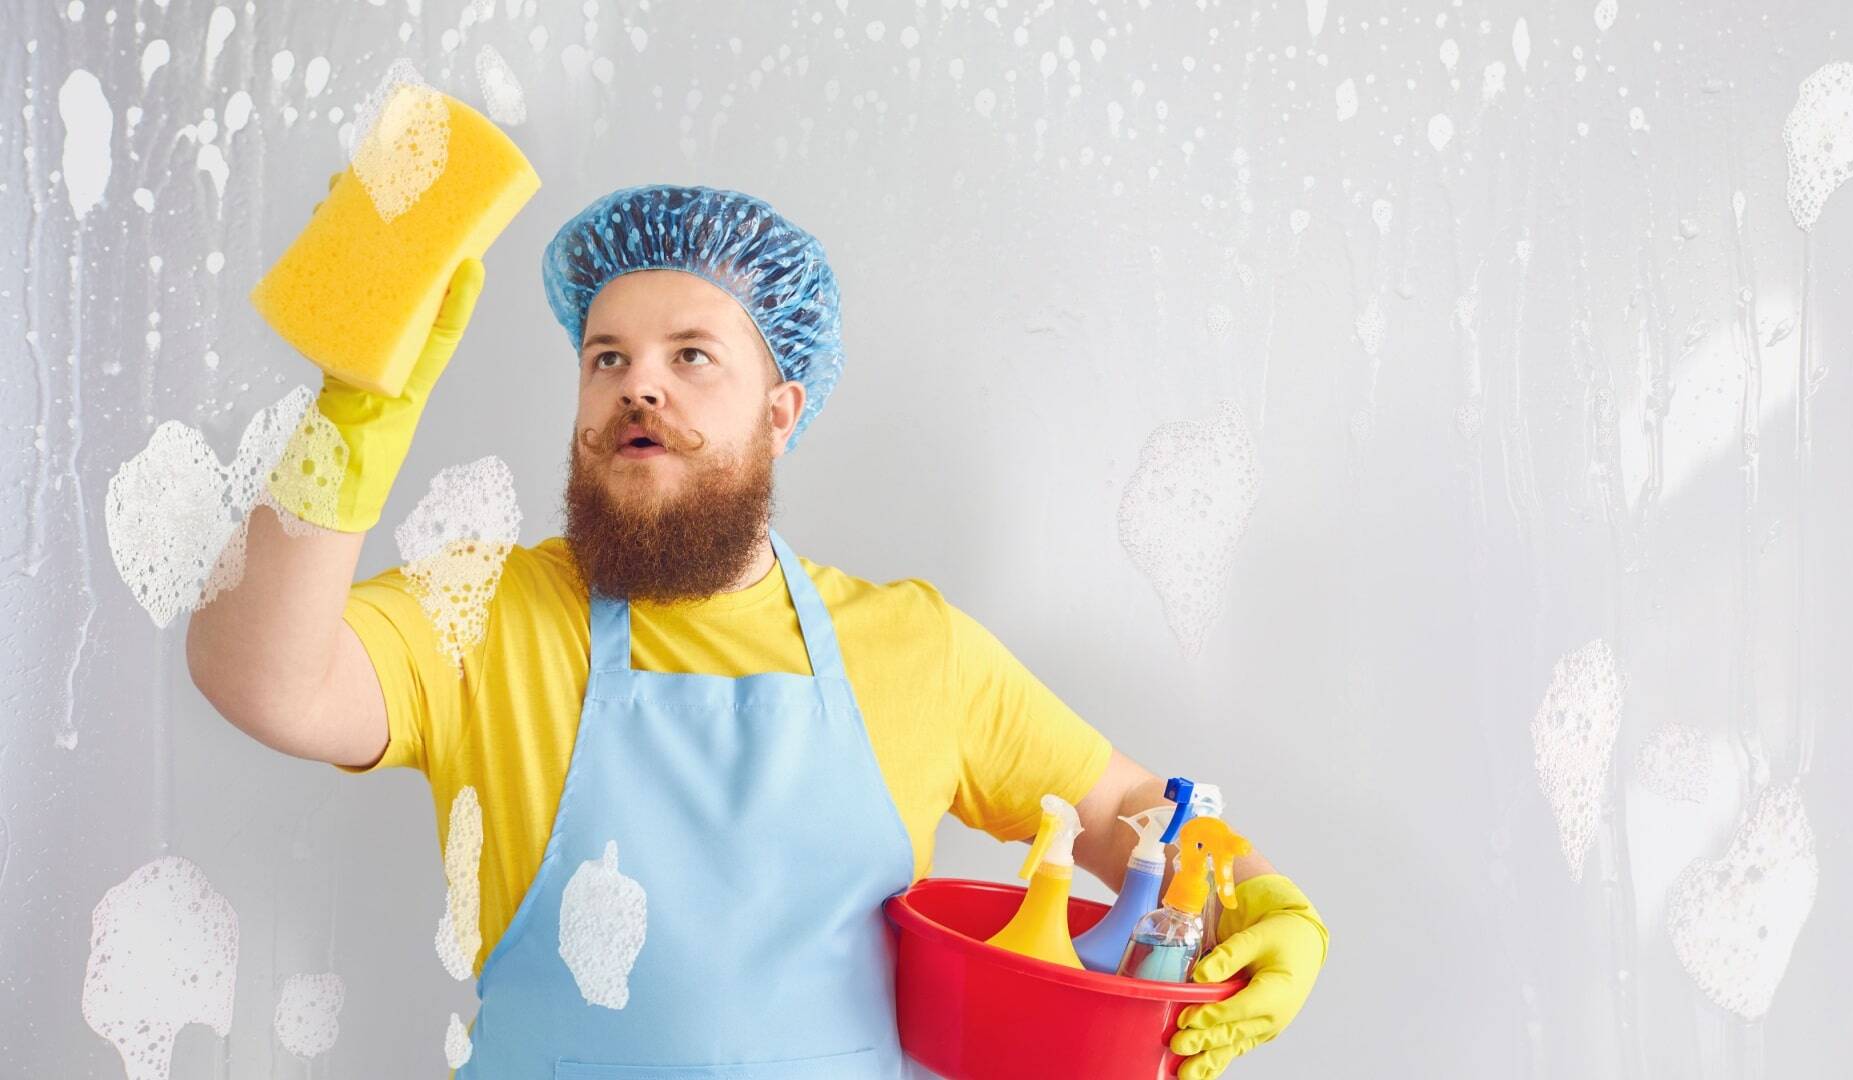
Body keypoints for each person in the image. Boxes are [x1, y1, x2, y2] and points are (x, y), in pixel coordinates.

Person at [186, 183, 1326, 1079]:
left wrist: (1263, 902)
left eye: (692, 356)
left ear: (781, 414)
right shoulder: (485, 616)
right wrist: (354, 414)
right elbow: (267, 682)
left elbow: (1134, 821)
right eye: (607, 359)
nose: (641, 388)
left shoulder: (914, 646)